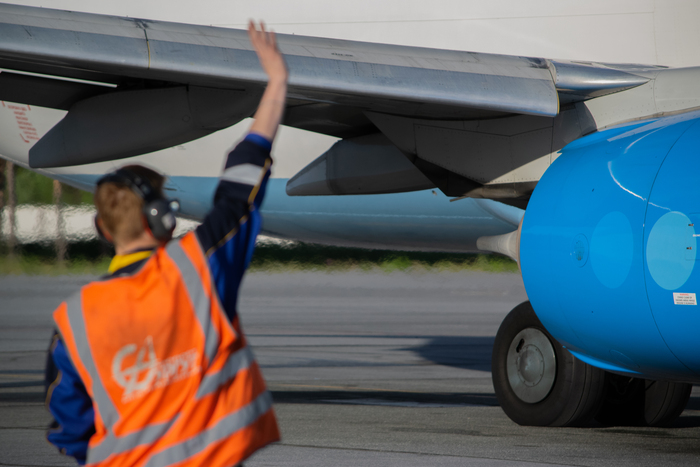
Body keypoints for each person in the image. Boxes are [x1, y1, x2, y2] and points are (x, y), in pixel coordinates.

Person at [44, 21, 288, 466]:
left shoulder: (74, 320)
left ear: (104, 230)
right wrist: (277, 83)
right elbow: (241, 185)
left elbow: (69, 427)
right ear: (162, 218)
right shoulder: (196, 270)